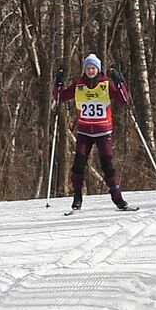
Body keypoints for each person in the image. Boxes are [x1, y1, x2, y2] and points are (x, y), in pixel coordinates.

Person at [53, 53, 133, 212]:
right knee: (78, 165)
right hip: (84, 132)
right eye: (88, 68)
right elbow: (60, 97)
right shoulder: (78, 85)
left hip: (103, 131)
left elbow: (124, 99)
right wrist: (58, 83)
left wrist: (119, 82)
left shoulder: (105, 84)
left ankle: (117, 198)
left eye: (93, 68)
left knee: (107, 165)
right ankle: (77, 197)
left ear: (98, 69)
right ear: (84, 70)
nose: (90, 71)